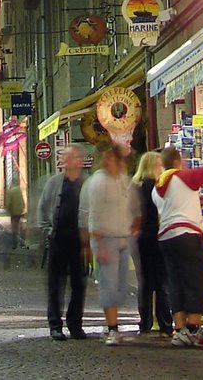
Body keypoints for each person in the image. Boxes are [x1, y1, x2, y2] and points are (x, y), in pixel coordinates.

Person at [153, 137, 203, 348]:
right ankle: (193, 328)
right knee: (199, 279)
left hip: (166, 237)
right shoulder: (183, 177)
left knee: (176, 282)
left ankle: (180, 330)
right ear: (178, 162)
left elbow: (174, 204)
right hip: (187, 234)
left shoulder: (157, 188)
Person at [79, 143, 141, 346]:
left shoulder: (124, 181)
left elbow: (132, 208)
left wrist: (134, 225)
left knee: (121, 286)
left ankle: (112, 324)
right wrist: (96, 244)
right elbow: (93, 215)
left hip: (122, 237)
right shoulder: (98, 182)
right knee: (109, 283)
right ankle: (112, 328)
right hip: (105, 238)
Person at [37, 144, 88, 341]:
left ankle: (75, 325)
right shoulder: (55, 183)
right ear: (66, 161)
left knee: (78, 283)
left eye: (78, 156)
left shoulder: (86, 182)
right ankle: (55, 325)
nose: (77, 160)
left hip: (78, 240)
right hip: (58, 238)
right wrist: (47, 230)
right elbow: (43, 207)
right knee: (55, 284)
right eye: (73, 157)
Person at [131, 151, 173, 337]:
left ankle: (145, 322)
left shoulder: (135, 187)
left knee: (145, 283)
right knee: (162, 282)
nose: (162, 168)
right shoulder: (156, 187)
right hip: (156, 236)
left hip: (140, 238)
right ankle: (165, 323)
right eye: (159, 165)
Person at [5, 182, 27, 250]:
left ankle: (15, 244)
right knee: (22, 228)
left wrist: (7, 210)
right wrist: (23, 208)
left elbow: (8, 203)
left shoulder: (9, 192)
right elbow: (22, 201)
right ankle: (22, 243)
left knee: (14, 229)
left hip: (14, 212)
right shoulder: (19, 190)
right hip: (21, 211)